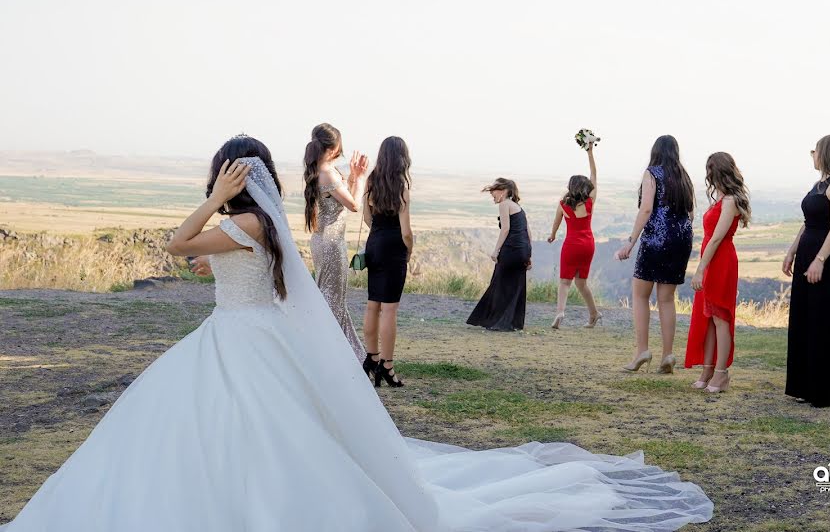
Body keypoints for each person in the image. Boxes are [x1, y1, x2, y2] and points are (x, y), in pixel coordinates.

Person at [0, 135, 714, 532]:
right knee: (255, 433)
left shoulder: (242, 221)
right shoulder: (256, 227)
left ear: (232, 178)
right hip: (242, 337)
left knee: (250, 435)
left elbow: (174, 246)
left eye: (222, 175)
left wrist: (212, 199)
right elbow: (203, 261)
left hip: (238, 341)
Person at [615, 135, 694, 374]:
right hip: (681, 238)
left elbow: (647, 208)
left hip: (656, 238)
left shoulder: (652, 173)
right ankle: (668, 354)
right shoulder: (684, 177)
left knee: (640, 295)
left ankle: (642, 351)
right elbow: (690, 214)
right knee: (667, 299)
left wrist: (631, 242)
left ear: (655, 151)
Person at [784, 135, 830, 408]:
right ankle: (803, 386)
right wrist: (792, 251)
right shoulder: (818, 184)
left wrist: (820, 259)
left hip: (825, 258)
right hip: (807, 254)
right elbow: (807, 223)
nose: (812, 155)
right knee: (803, 318)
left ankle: (820, 392)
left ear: (826, 153)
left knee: (821, 322)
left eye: (815, 151)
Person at [302, 123, 372, 370]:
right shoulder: (328, 174)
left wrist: (352, 177)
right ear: (332, 149)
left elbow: (343, 201)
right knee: (333, 301)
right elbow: (354, 206)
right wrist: (361, 178)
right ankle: (334, 355)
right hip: (332, 244)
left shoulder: (318, 171)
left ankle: (346, 353)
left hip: (323, 241)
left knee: (331, 298)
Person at [684, 152, 751, 392]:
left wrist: (700, 269)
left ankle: (722, 374)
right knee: (709, 318)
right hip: (712, 259)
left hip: (721, 262)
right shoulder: (721, 198)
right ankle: (708, 369)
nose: (707, 175)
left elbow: (716, 239)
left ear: (717, 171)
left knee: (720, 318)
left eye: (709, 170)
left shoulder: (730, 200)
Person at [363, 136, 413, 388]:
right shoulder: (401, 189)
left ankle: (371, 358)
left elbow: (366, 217)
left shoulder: (371, 181)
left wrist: (379, 234)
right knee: (390, 309)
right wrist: (409, 250)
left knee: (373, 304)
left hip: (374, 243)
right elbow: (406, 231)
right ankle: (387, 365)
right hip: (394, 248)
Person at [467, 178, 532, 331]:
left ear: (503, 191)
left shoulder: (505, 204)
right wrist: (529, 256)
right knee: (516, 286)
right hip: (522, 251)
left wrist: (496, 250)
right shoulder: (518, 207)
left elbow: (506, 229)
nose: (492, 195)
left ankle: (496, 321)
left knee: (499, 284)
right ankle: (513, 323)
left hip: (511, 250)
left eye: (494, 192)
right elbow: (528, 232)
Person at [548, 142, 600, 329]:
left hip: (571, 244)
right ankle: (594, 314)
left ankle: (560, 311)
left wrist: (553, 235)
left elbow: (556, 222)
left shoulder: (563, 204)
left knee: (565, 281)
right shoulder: (589, 202)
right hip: (588, 244)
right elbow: (594, 175)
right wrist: (590, 153)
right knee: (581, 282)